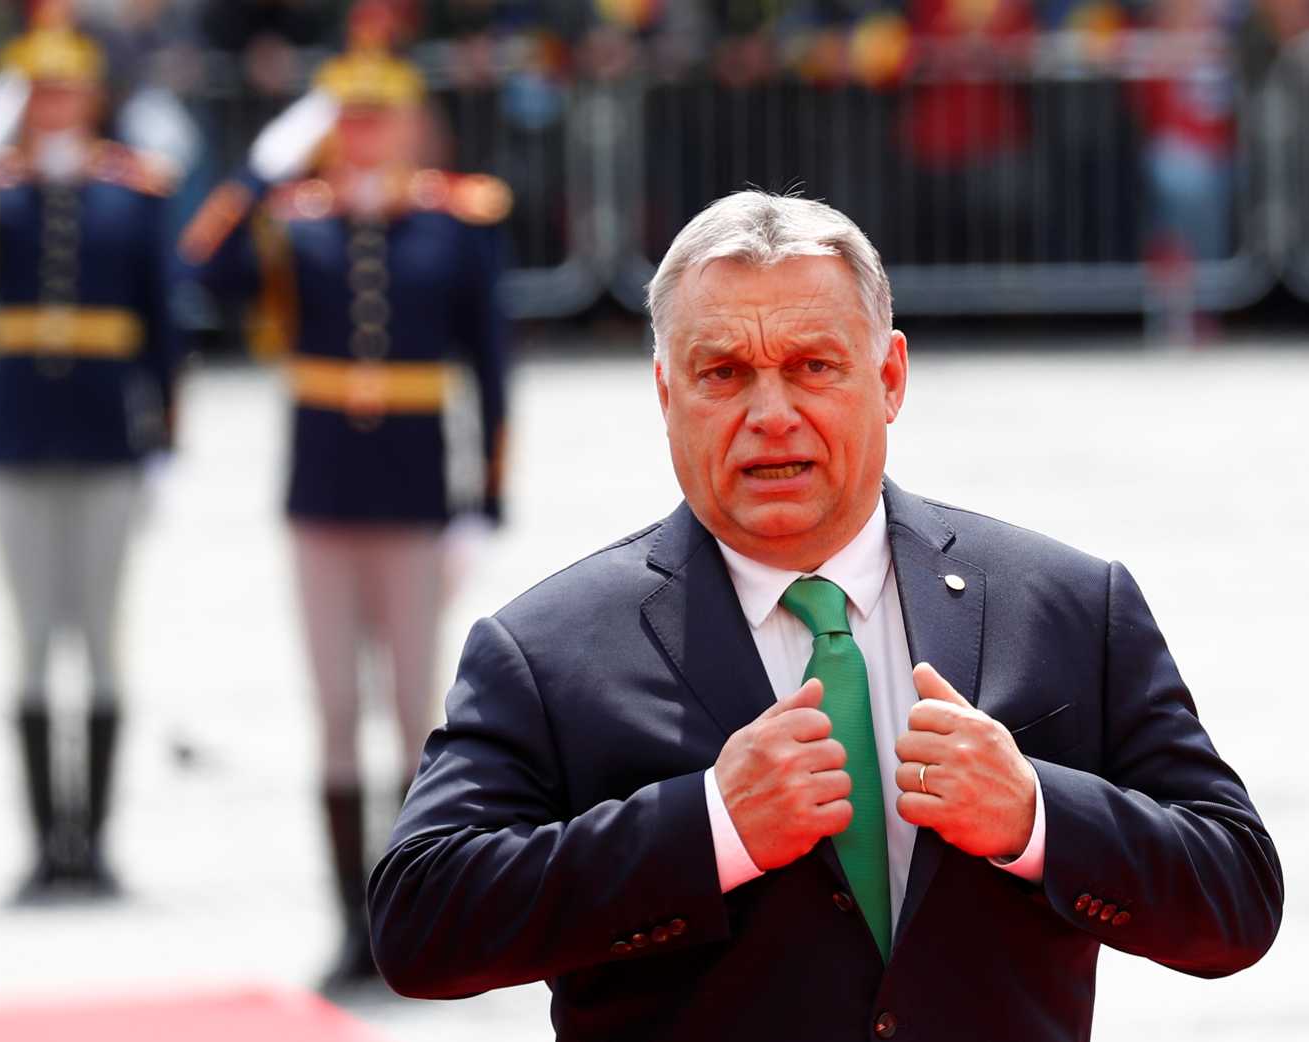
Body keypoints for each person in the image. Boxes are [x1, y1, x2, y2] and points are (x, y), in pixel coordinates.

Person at [368, 191, 1283, 1039]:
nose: (772, 413)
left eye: (814, 366)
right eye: (723, 373)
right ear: (665, 396)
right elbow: (420, 921)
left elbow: (1237, 899)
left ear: (888, 376)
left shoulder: (1069, 603)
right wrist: (710, 828)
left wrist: (1037, 816)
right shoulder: (548, 649)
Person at [179, 10, 509, 991]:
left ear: (411, 127)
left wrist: (485, 495)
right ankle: (344, 922)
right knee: (332, 711)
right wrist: (260, 170)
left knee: (414, 713)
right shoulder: (298, 218)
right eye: (347, 121)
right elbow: (202, 269)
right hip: (322, 494)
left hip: (413, 495)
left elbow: (488, 364)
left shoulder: (456, 221)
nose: (364, 137)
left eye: (380, 119)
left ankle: (408, 921)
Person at [0, 18, 182, 902]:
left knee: (97, 639)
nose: (53, 107)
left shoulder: (132, 192)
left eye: (65, 91)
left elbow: (163, 326)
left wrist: (163, 437)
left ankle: (90, 843)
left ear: (92, 98)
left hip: (103, 438)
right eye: (36, 91)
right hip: (18, 438)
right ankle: (42, 847)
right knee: (28, 640)